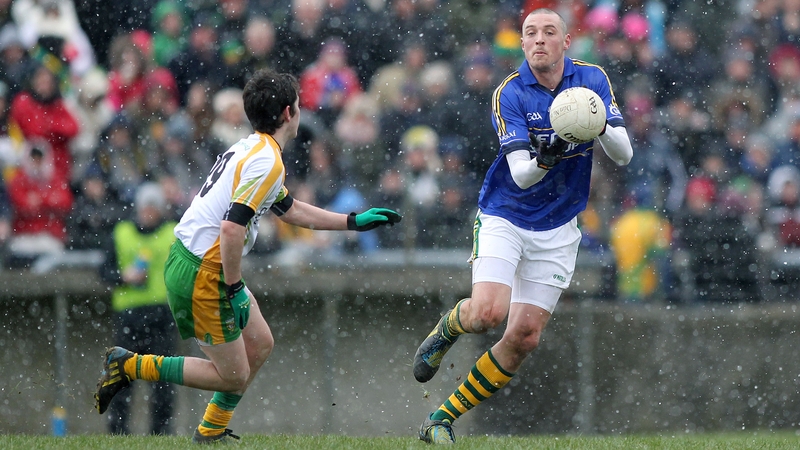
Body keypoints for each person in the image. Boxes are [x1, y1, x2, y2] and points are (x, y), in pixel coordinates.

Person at [93, 68, 401, 444]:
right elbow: (231, 227)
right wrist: (235, 287)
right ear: (288, 113)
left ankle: (211, 430)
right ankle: (130, 365)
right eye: (299, 104)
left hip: (199, 263)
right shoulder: (267, 160)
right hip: (204, 271)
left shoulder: (254, 148)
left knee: (260, 343)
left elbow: (289, 209)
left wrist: (352, 222)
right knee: (233, 375)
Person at [412, 9, 633, 444]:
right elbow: (521, 174)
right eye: (531, 33)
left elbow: (623, 154)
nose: (539, 40)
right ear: (523, 42)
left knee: (525, 337)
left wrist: (598, 124)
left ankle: (441, 419)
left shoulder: (592, 80)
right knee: (487, 314)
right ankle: (448, 329)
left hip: (559, 226)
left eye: (549, 32)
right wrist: (548, 154)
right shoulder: (509, 92)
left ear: (566, 41)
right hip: (507, 215)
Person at [99, 182, 178, 435]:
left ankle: (161, 433)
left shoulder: (173, 233)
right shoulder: (122, 232)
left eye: (154, 207)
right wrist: (124, 277)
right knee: (121, 380)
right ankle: (118, 432)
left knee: (163, 381)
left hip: (162, 316)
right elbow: (104, 271)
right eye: (145, 207)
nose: (149, 212)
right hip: (129, 316)